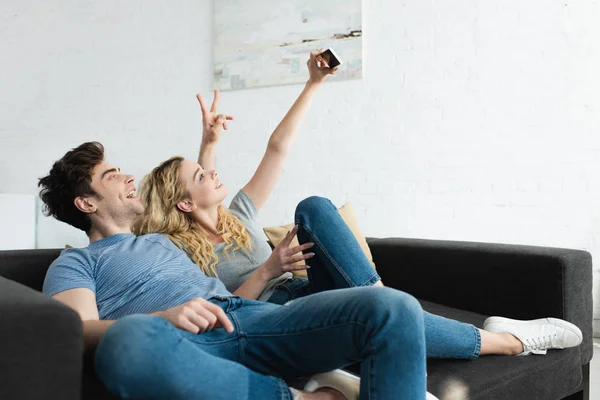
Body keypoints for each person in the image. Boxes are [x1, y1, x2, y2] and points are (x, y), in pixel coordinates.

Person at [133, 57, 583, 363]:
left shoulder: (239, 215)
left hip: (311, 287)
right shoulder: (176, 255)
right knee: (378, 311)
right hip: (276, 315)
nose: (214, 173)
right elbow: (225, 313)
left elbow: (276, 149)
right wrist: (267, 270)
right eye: (201, 175)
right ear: (184, 203)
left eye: (206, 169)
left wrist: (313, 82)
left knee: (312, 205)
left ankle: (380, 298)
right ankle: (510, 341)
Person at [37, 66, 428, 400]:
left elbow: (198, 200)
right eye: (111, 175)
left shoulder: (160, 236)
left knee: (393, 308)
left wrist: (209, 144)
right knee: (125, 346)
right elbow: (81, 330)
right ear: (86, 203)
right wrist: (163, 318)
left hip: (251, 317)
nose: (127, 176)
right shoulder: (75, 261)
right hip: (182, 343)